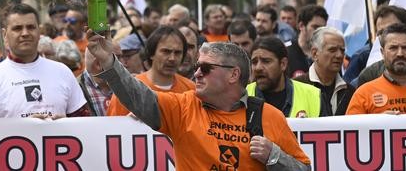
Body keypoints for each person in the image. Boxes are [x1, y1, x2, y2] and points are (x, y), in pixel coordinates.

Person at [86, 35, 310, 170]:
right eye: (196, 68)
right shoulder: (183, 107)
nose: (197, 74)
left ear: (233, 75)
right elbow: (136, 95)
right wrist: (108, 61)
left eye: (205, 68)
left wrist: (274, 156)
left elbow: (304, 169)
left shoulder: (268, 116)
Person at [0, 3, 90, 118]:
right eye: (17, 28)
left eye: (31, 27)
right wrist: (25, 127)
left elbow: (83, 122)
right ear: (5, 34)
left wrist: (65, 123)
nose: (25, 33)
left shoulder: (63, 72)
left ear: (39, 32)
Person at [107, 26, 195, 116]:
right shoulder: (128, 90)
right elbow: (113, 127)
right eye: (166, 51)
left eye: (177, 53)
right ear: (152, 54)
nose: (172, 58)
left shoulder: (191, 89)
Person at [247, 36, 324, 118]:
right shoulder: (241, 97)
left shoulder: (313, 96)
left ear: (283, 64)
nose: (258, 68)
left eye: (266, 61)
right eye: (254, 62)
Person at [306, 27, 354, 116]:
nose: (339, 55)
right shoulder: (296, 87)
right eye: (332, 50)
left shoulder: (350, 92)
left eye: (342, 50)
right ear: (315, 53)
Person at [77, 41, 122, 116]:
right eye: (118, 59)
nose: (123, 64)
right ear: (98, 64)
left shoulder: (130, 83)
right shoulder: (75, 90)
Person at [286, 5, 328, 80]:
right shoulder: (286, 51)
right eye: (315, 27)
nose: (319, 32)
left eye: (322, 28)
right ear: (301, 26)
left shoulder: (326, 54)